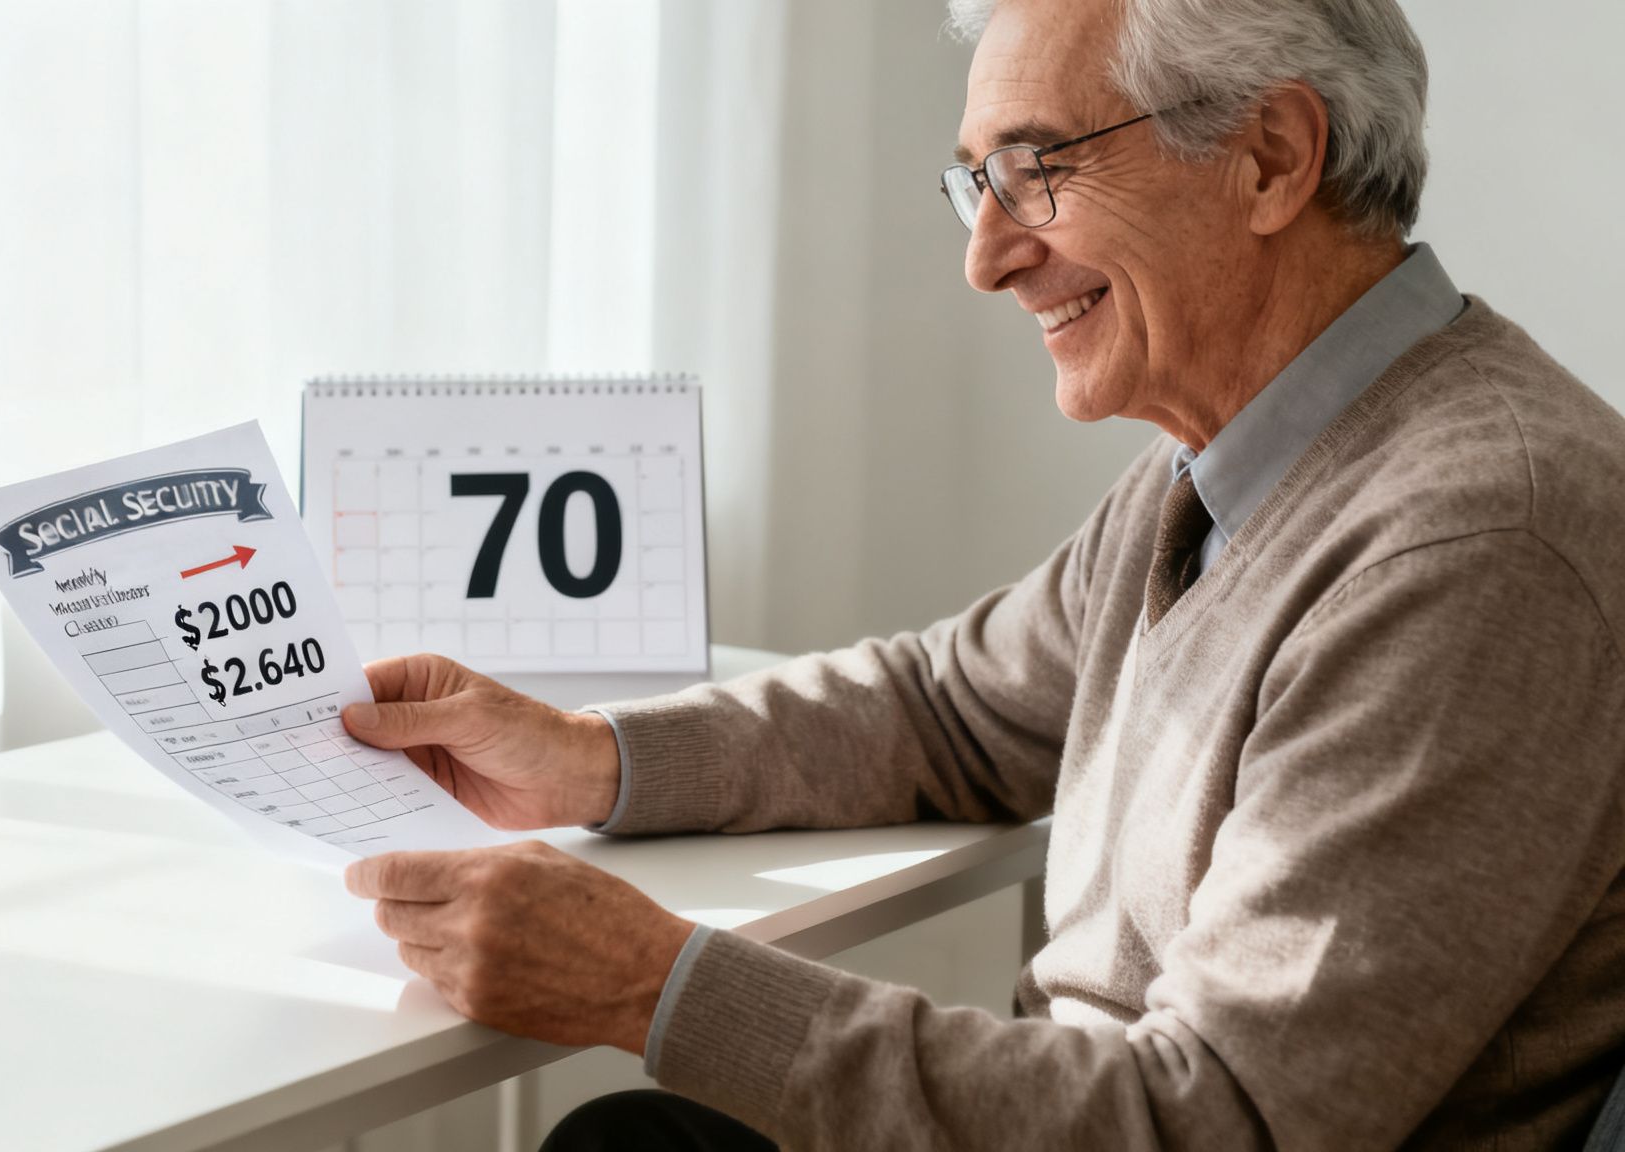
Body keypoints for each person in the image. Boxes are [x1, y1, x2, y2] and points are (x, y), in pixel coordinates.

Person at [339, 0, 1625, 1146]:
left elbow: (1214, 1122)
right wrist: (587, 757)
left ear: (1270, 157)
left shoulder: (1475, 544)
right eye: (975, 184)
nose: (987, 254)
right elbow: (951, 707)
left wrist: (649, 985)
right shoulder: (1231, 460)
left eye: (1036, 169)